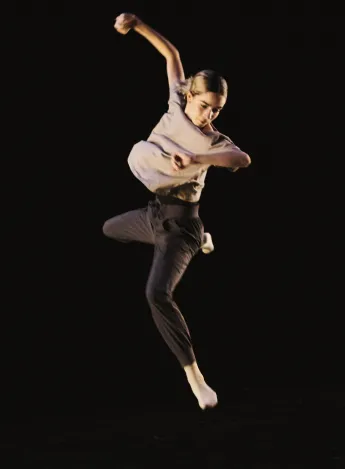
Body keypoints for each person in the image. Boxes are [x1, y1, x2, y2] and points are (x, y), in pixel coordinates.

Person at [103, 13, 251, 409]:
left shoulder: (215, 141)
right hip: (155, 212)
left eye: (217, 110)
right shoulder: (176, 103)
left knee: (157, 294)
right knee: (109, 228)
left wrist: (198, 157)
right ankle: (174, 187)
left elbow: (242, 159)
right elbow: (171, 53)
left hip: (180, 227)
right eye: (206, 106)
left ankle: (195, 376)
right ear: (190, 96)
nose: (210, 116)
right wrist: (135, 24)